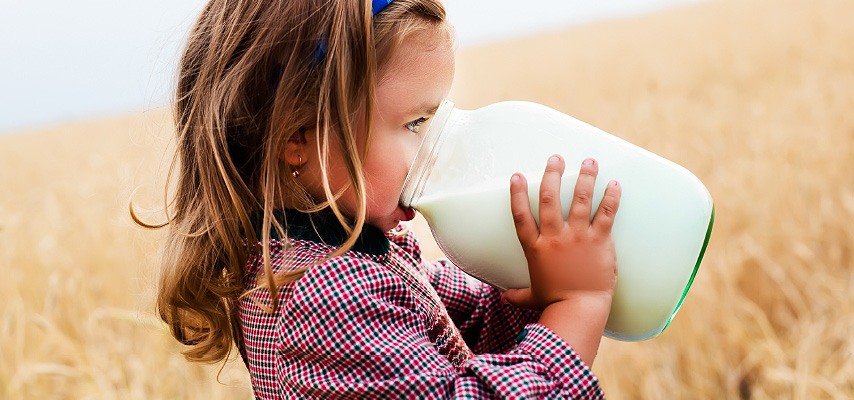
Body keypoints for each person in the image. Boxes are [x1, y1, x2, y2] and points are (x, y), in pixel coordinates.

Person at [137, 0, 622, 398]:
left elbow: (465, 323)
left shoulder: (357, 255)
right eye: (415, 124)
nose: (432, 149)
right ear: (296, 134)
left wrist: (535, 293)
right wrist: (577, 303)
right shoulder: (327, 296)